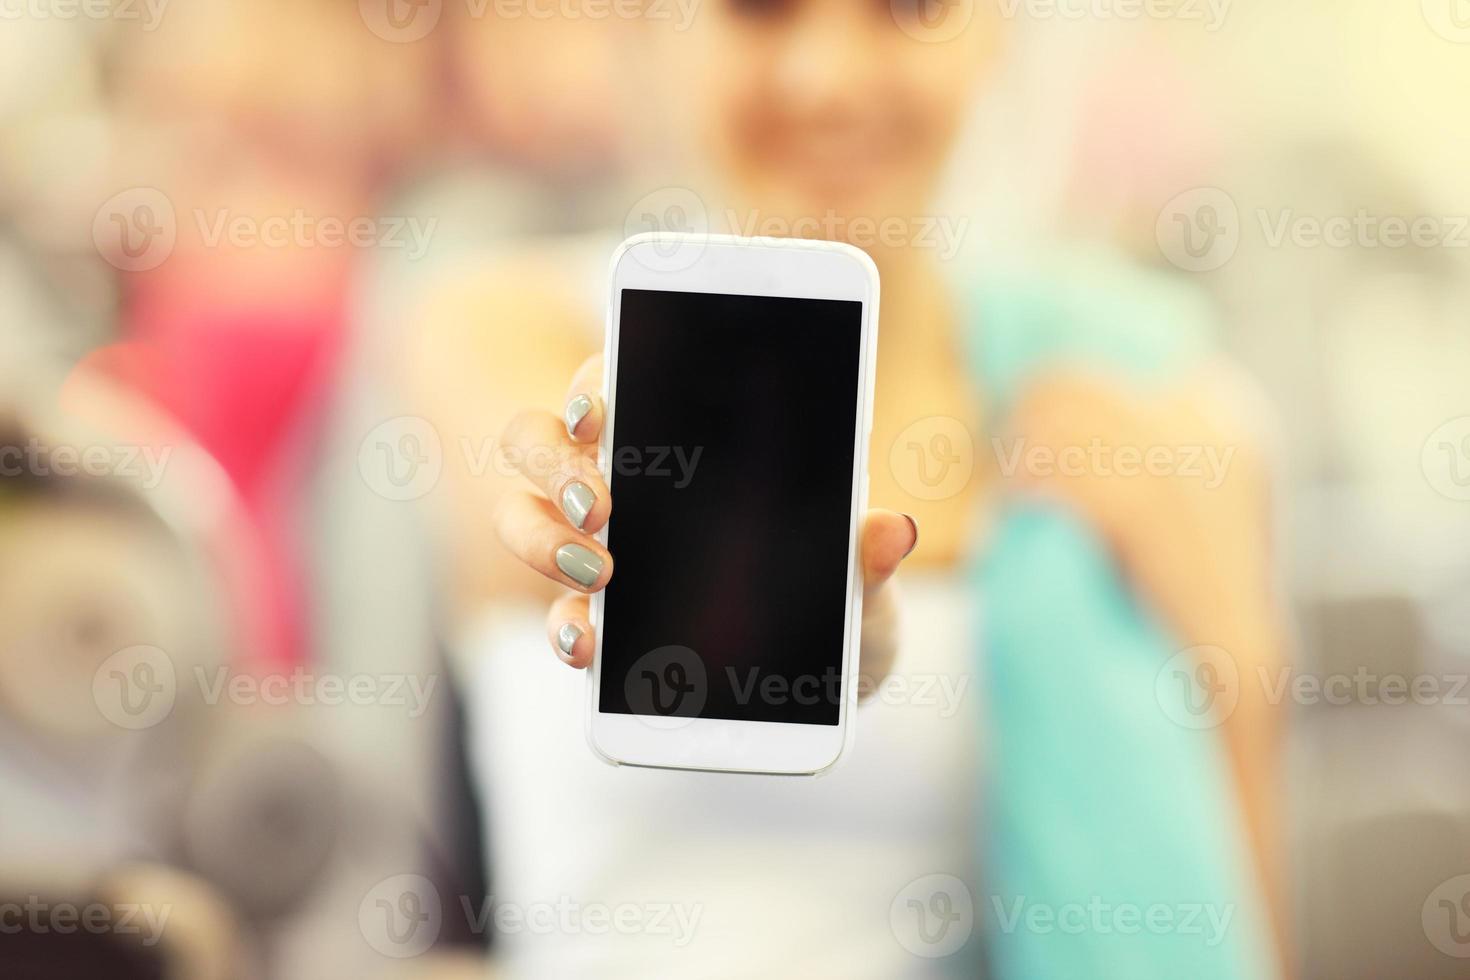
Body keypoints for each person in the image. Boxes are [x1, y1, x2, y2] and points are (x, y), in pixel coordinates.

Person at [403, 0, 1287, 975]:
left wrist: (1233, 646)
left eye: (909, 9)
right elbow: (539, 499)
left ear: (996, 35)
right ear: (648, 34)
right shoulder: (514, 332)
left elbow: (1222, 916)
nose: (829, 80)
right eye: (758, 10)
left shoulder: (1140, 394)